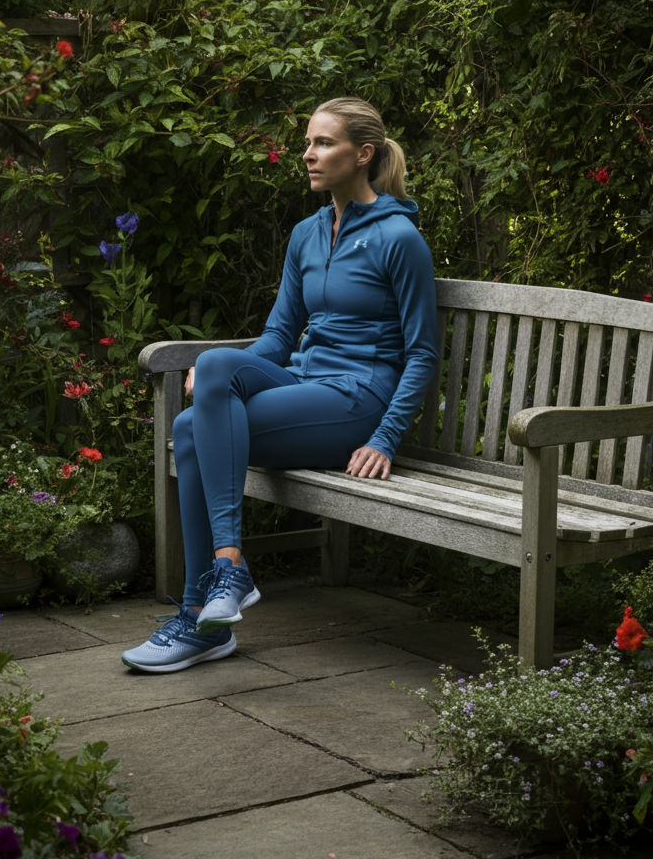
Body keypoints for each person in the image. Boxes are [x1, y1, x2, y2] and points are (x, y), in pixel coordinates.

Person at [122, 97, 439, 674]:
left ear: (363, 154)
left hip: (359, 399)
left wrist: (386, 438)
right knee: (205, 391)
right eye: (308, 143)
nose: (308, 154)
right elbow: (276, 336)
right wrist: (214, 373)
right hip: (306, 383)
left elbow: (422, 354)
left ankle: (208, 600)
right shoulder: (306, 234)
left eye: (323, 143)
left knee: (192, 428)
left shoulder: (399, 239)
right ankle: (218, 588)